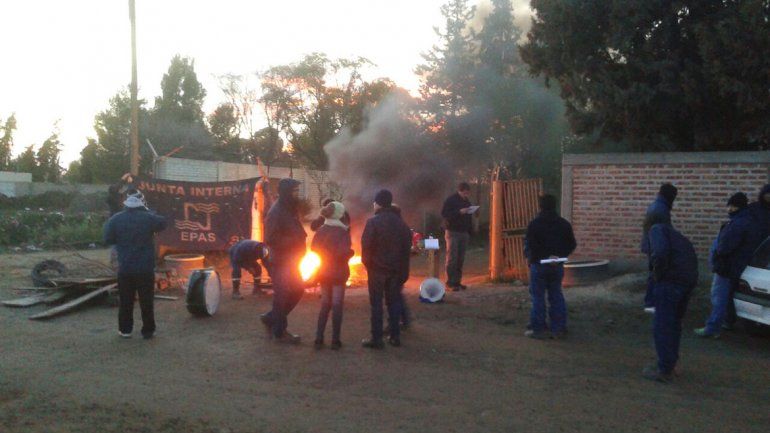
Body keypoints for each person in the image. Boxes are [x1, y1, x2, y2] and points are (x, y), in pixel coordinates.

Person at [695, 192, 764, 337]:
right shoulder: (749, 221)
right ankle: (727, 321)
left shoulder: (737, 224)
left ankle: (712, 328)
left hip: (726, 266)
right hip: (737, 266)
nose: (729, 209)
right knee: (726, 296)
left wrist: (717, 256)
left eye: (732, 206)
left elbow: (724, 247)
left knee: (718, 297)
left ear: (736, 206)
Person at [103, 189, 167, 339]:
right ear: (141, 203)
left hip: (125, 268)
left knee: (126, 300)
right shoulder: (149, 218)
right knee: (146, 300)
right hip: (145, 268)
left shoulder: (115, 219)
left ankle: (125, 330)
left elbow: (107, 239)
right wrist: (148, 211)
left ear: (126, 203)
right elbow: (163, 222)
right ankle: (148, 331)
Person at [643, 212, 698, 383]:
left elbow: (659, 253)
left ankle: (664, 369)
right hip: (687, 282)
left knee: (663, 325)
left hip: (670, 283)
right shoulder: (677, 236)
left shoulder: (656, 229)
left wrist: (658, 275)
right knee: (674, 324)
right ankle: (671, 363)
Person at [361, 189, 412, 349]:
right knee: (394, 303)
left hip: (377, 271)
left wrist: (369, 265)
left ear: (377, 203)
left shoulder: (372, 222)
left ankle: (376, 339)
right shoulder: (402, 224)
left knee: (376, 305)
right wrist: (402, 271)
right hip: (395, 271)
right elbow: (406, 250)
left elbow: (366, 247)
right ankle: (395, 337)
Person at [523, 194, 577, 340]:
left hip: (539, 265)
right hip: (557, 265)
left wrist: (541, 257)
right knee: (556, 295)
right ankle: (558, 328)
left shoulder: (534, 224)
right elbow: (571, 244)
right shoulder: (564, 224)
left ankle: (538, 328)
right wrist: (558, 256)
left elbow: (531, 246)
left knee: (538, 297)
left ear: (540, 206)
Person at [262, 178, 307, 344]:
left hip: (292, 260)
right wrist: (295, 240)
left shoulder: (289, 208)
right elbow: (270, 239)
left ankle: (270, 318)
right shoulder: (276, 211)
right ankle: (279, 333)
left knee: (298, 290)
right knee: (282, 295)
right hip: (280, 261)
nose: (297, 194)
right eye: (294, 191)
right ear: (286, 192)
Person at [311, 201, 354, 350]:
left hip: (323, 272)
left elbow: (313, 248)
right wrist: (351, 253)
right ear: (339, 214)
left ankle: (318, 338)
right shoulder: (343, 232)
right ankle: (335, 341)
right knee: (337, 306)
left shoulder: (321, 230)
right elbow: (344, 252)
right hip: (338, 273)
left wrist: (325, 254)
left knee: (325, 305)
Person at [641, 183, 678, 313]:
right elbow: (664, 230)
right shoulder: (661, 209)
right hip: (656, 247)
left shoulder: (657, 206)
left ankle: (651, 302)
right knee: (656, 274)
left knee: (655, 273)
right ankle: (651, 303)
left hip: (652, 246)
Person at [441, 182, 474, 291]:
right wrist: (459, 212)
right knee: (452, 258)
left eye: (467, 193)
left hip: (464, 232)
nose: (466, 194)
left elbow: (468, 217)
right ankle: (450, 282)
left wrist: (470, 229)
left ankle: (457, 282)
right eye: (465, 192)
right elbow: (444, 213)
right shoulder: (451, 200)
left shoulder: (467, 201)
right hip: (453, 232)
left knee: (460, 258)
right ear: (460, 190)